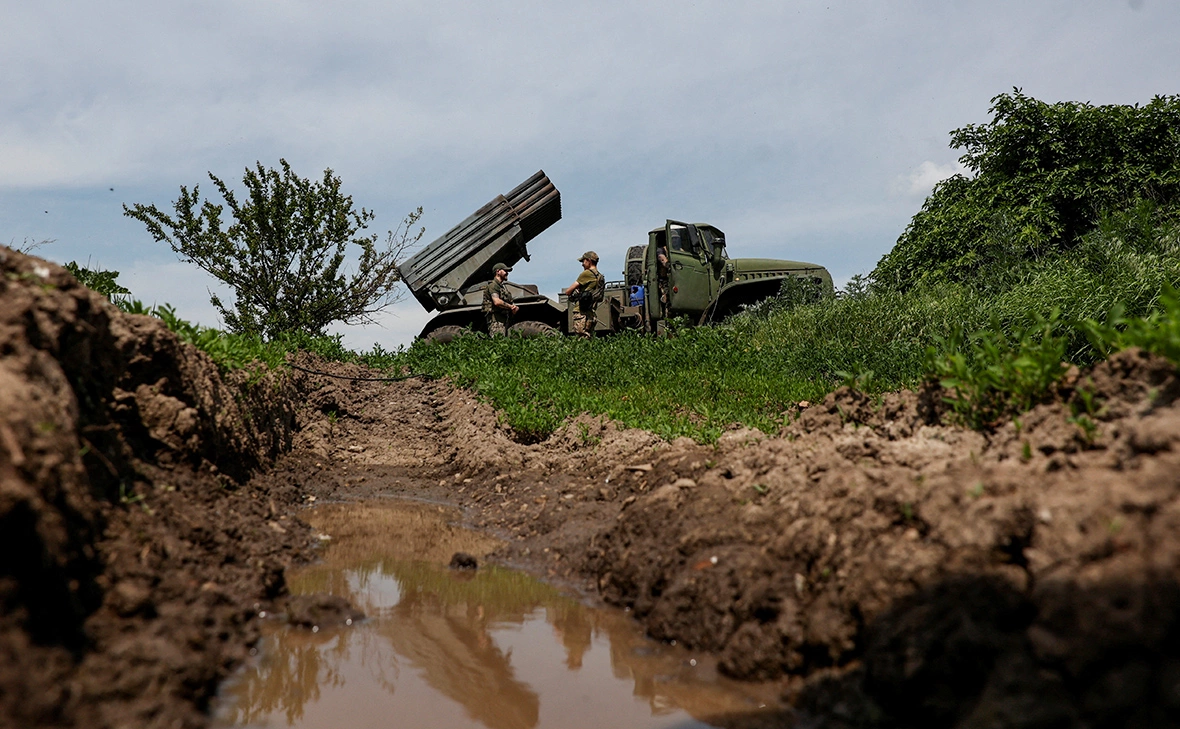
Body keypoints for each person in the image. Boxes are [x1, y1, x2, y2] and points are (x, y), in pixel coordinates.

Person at [563, 251, 605, 338]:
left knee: (581, 340)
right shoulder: (600, 276)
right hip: (591, 313)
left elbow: (568, 292)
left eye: (583, 261)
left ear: (588, 261)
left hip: (581, 313)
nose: (582, 264)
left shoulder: (587, 273)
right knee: (589, 339)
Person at [482, 262, 519, 336]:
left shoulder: (502, 288)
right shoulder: (493, 285)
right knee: (498, 343)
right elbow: (497, 302)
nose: (507, 273)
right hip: (496, 322)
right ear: (498, 272)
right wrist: (511, 307)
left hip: (503, 320)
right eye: (505, 271)